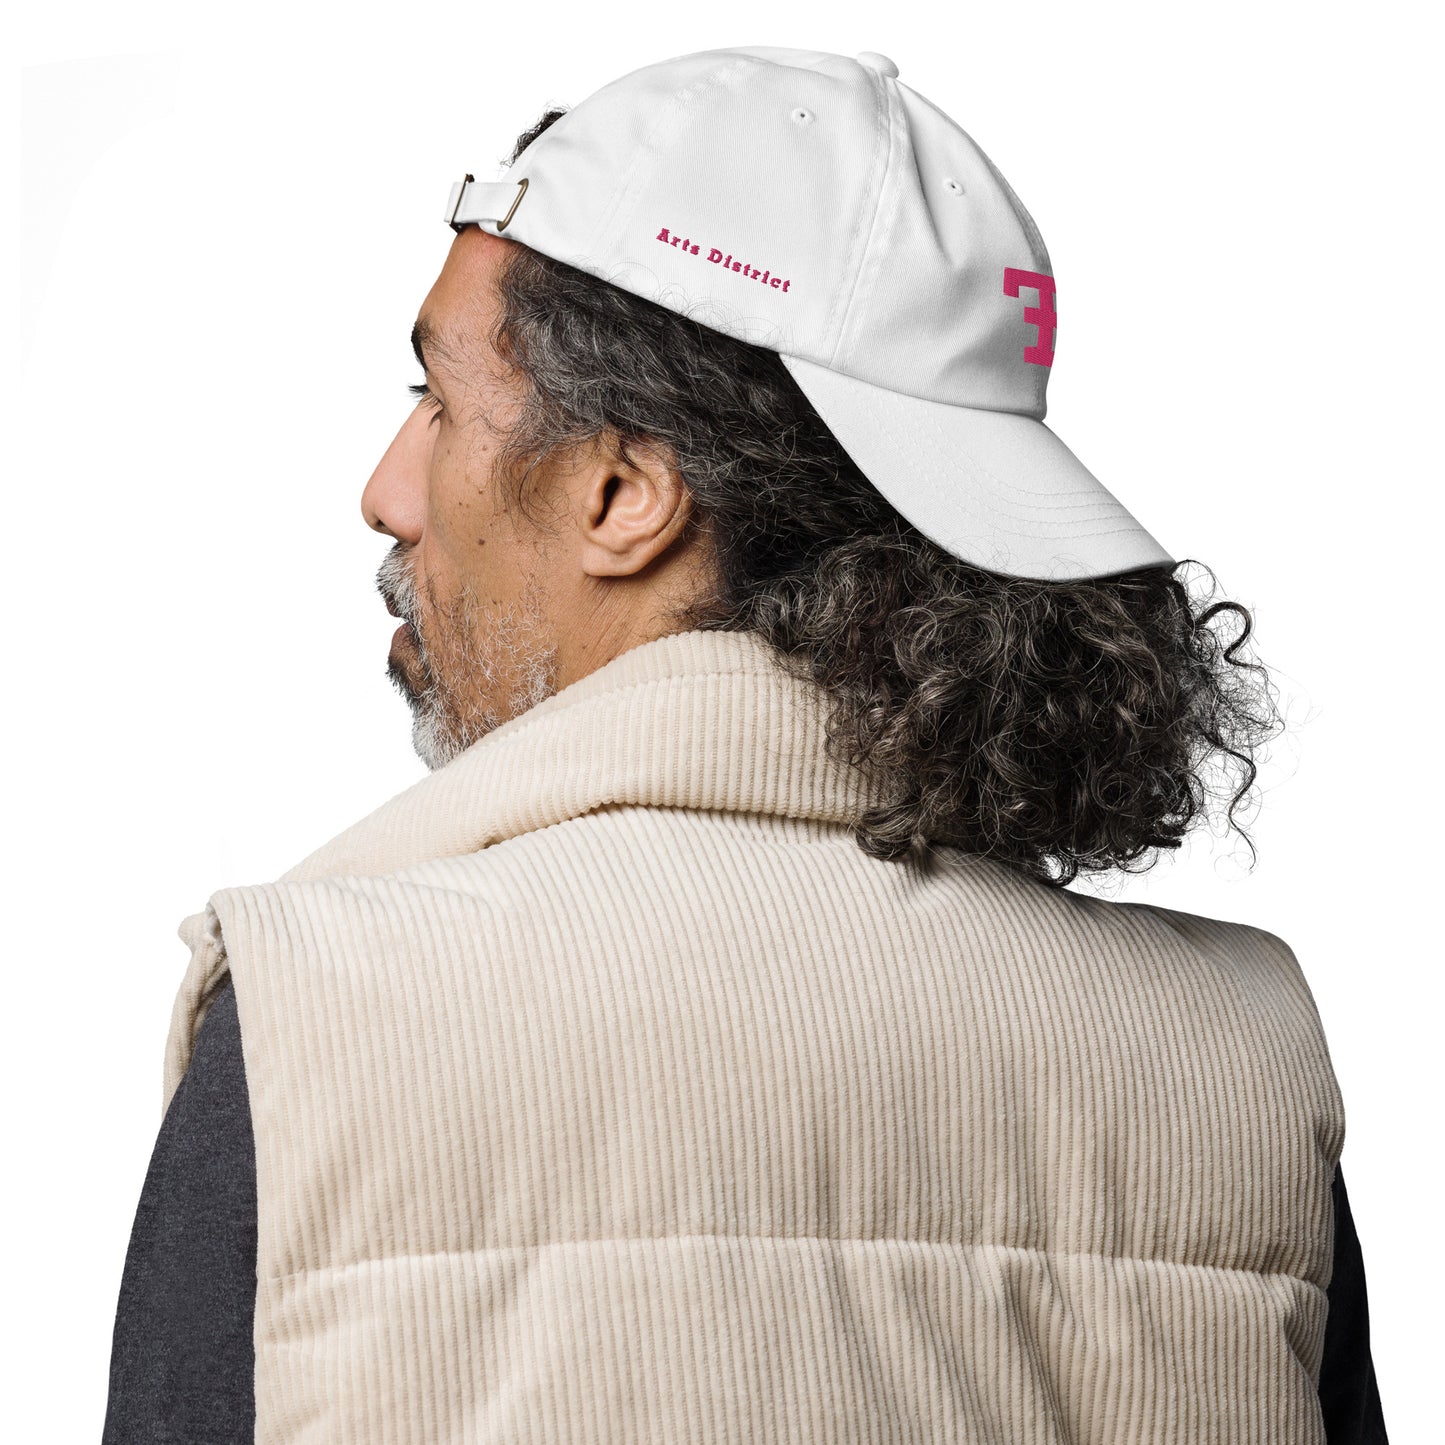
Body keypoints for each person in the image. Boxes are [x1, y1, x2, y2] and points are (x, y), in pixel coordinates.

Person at [102, 45, 1388, 1444]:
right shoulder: (1237, 1065)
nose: (386, 489)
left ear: (623, 493)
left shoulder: (320, 1026)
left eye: (441, 404)